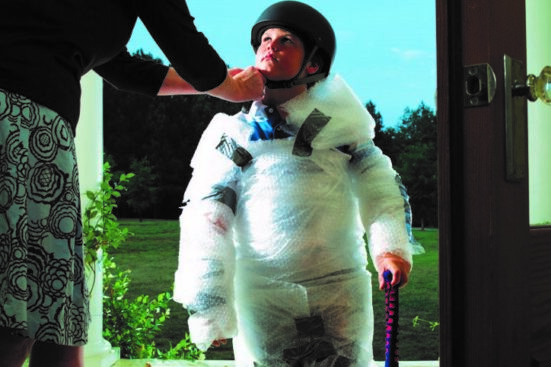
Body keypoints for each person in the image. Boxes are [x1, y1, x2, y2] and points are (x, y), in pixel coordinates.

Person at [0, 1, 265, 366]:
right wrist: (229, 87)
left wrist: (215, 84)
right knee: (27, 312)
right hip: (21, 130)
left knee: (46, 314)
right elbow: (181, 39)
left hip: (29, 129)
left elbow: (121, 68)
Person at [174, 1, 420, 366]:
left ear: (313, 64)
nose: (269, 45)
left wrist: (390, 249)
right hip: (263, 297)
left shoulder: (339, 129)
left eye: (286, 40)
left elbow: (380, 187)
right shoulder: (234, 137)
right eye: (264, 39)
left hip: (338, 292)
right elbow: (207, 218)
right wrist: (209, 304)